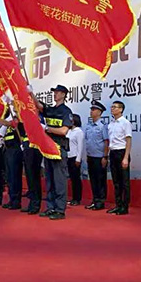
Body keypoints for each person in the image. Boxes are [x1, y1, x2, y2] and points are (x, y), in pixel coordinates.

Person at [30, 84, 73, 220]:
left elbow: (63, 131)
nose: (55, 94)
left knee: (59, 180)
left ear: (63, 95)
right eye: (54, 92)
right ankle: (50, 207)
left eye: (58, 92)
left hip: (58, 149)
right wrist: (31, 93)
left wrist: (47, 129)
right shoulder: (50, 109)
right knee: (49, 180)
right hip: (47, 148)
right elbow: (38, 106)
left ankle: (60, 210)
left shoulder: (66, 111)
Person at [107, 101, 132, 215]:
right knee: (116, 181)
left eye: (115, 107)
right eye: (111, 107)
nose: (112, 109)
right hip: (113, 153)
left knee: (124, 182)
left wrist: (126, 157)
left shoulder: (125, 122)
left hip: (122, 153)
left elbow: (128, 140)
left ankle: (125, 207)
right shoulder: (111, 124)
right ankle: (118, 205)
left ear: (121, 109)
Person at [84, 101, 109, 210]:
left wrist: (105, 156)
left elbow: (106, 142)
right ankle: (95, 200)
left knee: (100, 180)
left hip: (100, 157)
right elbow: (87, 141)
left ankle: (101, 202)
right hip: (90, 157)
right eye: (91, 109)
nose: (91, 111)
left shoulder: (102, 126)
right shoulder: (88, 126)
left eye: (93, 110)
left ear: (99, 112)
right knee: (93, 180)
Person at [67, 114, 85, 206]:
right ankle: (73, 198)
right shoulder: (69, 131)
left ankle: (77, 198)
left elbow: (80, 146)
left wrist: (78, 159)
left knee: (76, 179)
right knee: (71, 178)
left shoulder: (79, 132)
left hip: (75, 158)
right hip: (68, 157)